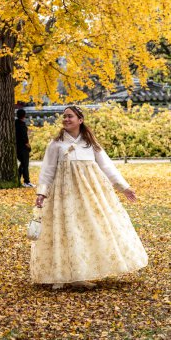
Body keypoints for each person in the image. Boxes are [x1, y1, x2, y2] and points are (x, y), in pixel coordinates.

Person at [30, 105, 148, 289]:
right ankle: (59, 276)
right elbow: (47, 170)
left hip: (89, 195)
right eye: (64, 117)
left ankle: (78, 275)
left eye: (70, 116)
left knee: (84, 230)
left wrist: (123, 187)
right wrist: (41, 193)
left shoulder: (90, 144)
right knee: (64, 230)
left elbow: (107, 167)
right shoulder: (56, 144)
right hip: (63, 195)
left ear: (80, 120)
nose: (66, 120)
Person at [15, 109, 35, 187]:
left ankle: (17, 179)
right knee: (25, 165)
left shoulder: (15, 123)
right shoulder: (22, 125)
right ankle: (26, 181)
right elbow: (24, 138)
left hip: (16, 147)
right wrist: (29, 146)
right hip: (23, 148)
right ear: (24, 115)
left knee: (22, 164)